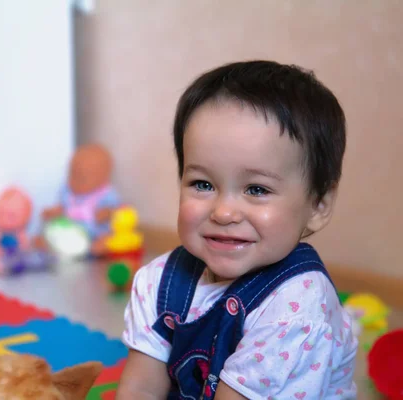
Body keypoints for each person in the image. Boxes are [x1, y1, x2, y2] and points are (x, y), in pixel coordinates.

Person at [116, 60, 358, 399]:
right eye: (202, 184)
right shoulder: (160, 283)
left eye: (256, 189)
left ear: (318, 205)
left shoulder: (296, 309)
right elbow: (140, 388)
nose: (224, 211)